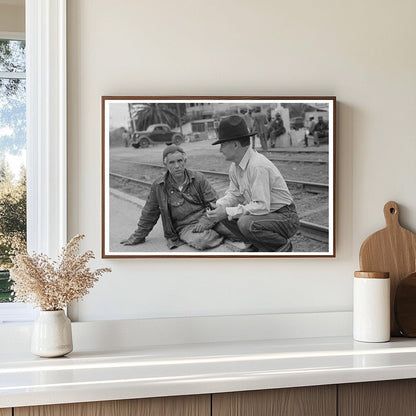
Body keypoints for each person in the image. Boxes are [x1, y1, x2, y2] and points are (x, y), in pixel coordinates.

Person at [207, 115, 300, 252]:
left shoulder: (257, 166)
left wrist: (227, 211)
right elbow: (234, 195)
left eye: (222, 145)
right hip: (268, 216)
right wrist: (219, 207)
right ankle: (257, 245)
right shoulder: (235, 166)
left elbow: (262, 206)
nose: (220, 150)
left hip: (285, 217)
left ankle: (281, 245)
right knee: (224, 214)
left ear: (235, 145)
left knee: (244, 223)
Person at [120, 145, 223, 250]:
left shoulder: (198, 178)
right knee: (201, 241)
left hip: (207, 217)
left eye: (179, 161)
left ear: (185, 161)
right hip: (185, 227)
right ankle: (218, 234)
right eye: (172, 162)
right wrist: (138, 236)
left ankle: (217, 232)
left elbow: (213, 202)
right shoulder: (159, 186)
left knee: (235, 229)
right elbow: (149, 213)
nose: (177, 166)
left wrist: (205, 222)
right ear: (166, 165)